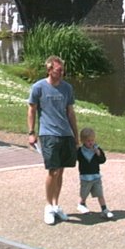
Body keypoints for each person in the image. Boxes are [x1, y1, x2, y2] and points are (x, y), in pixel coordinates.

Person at [27, 55, 79, 225]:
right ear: (49, 70)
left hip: (65, 134)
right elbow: (32, 110)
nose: (61, 72)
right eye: (58, 70)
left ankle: (56, 205)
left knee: (61, 171)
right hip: (48, 133)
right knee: (53, 170)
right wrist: (31, 132)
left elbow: (70, 112)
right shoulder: (38, 87)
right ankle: (48, 206)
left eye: (62, 70)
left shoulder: (67, 88)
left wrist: (75, 135)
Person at [76, 127, 114, 218]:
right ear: (83, 141)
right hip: (85, 177)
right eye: (88, 141)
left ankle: (104, 209)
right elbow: (75, 158)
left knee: (100, 193)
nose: (91, 143)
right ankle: (81, 204)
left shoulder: (97, 149)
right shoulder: (80, 151)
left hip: (96, 176)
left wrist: (98, 154)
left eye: (92, 140)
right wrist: (75, 149)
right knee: (84, 194)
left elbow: (102, 160)